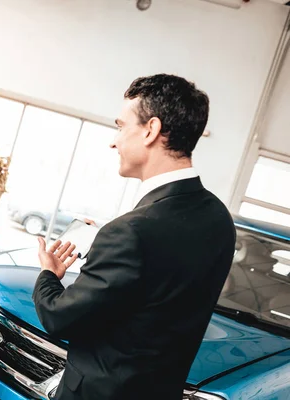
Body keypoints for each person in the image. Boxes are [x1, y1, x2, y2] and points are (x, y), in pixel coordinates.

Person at [33, 74, 236, 399]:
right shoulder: (218, 219)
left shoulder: (131, 231)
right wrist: (113, 246)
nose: (113, 141)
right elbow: (164, 283)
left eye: (120, 126)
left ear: (151, 130)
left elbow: (60, 318)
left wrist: (48, 273)